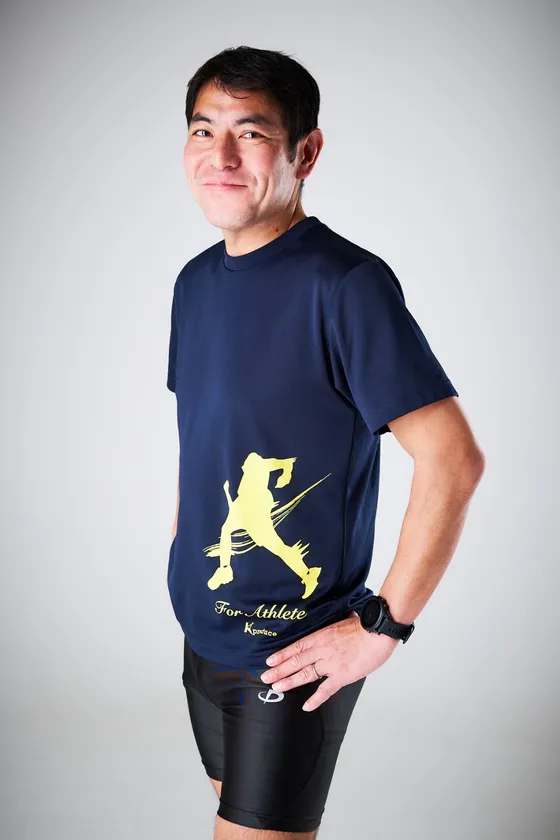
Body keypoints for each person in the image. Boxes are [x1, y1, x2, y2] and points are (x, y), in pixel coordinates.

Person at [165, 45, 485, 840]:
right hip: (203, 636)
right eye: (204, 131)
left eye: (251, 133)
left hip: (290, 650)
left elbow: (453, 460)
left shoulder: (345, 285)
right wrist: (181, 556)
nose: (221, 156)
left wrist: (384, 627)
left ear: (305, 152)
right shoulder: (194, 283)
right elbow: (204, 440)